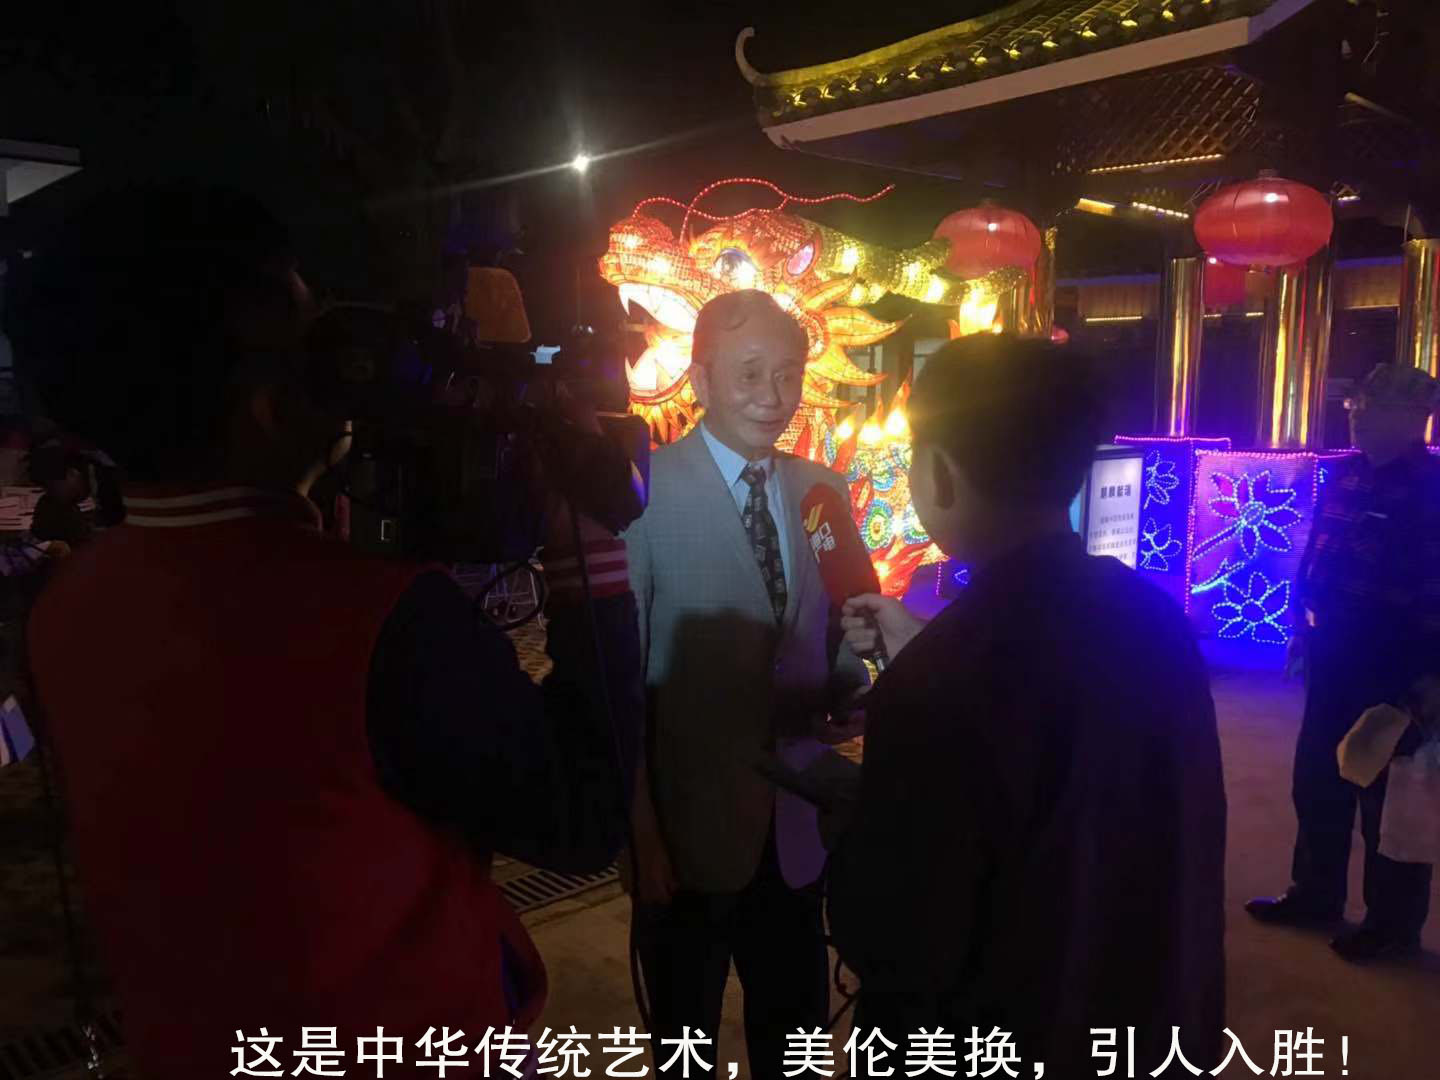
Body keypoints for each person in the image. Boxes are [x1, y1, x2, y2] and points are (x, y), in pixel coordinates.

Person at [6, 185, 643, 1078]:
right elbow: (582, 818)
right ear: (266, 400)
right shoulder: (376, 622)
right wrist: (591, 548)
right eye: (316, 338)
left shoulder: (65, 605)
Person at [830, 335, 1226, 1077]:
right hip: (1146, 1028)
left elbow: (899, 938)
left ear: (939, 473)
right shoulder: (1155, 620)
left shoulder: (938, 681)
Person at [623, 290, 870, 1078]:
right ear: (699, 379)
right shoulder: (642, 495)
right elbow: (621, 689)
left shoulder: (822, 491)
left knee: (794, 1041)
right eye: (750, 372)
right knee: (685, 1043)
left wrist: (851, 687)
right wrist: (640, 833)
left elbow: (834, 639)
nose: (774, 395)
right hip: (685, 835)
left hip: (797, 831)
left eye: (789, 373)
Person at [1247, 362, 1440, 961]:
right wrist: (1301, 628)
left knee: (1388, 796)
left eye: (1373, 409)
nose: (1359, 418)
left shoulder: (1431, 487)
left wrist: (1431, 674)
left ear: (1415, 417)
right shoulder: (1344, 473)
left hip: (1398, 659)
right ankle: (1315, 893)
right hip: (1333, 646)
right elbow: (1318, 552)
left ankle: (1392, 925)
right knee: (1318, 778)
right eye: (1357, 407)